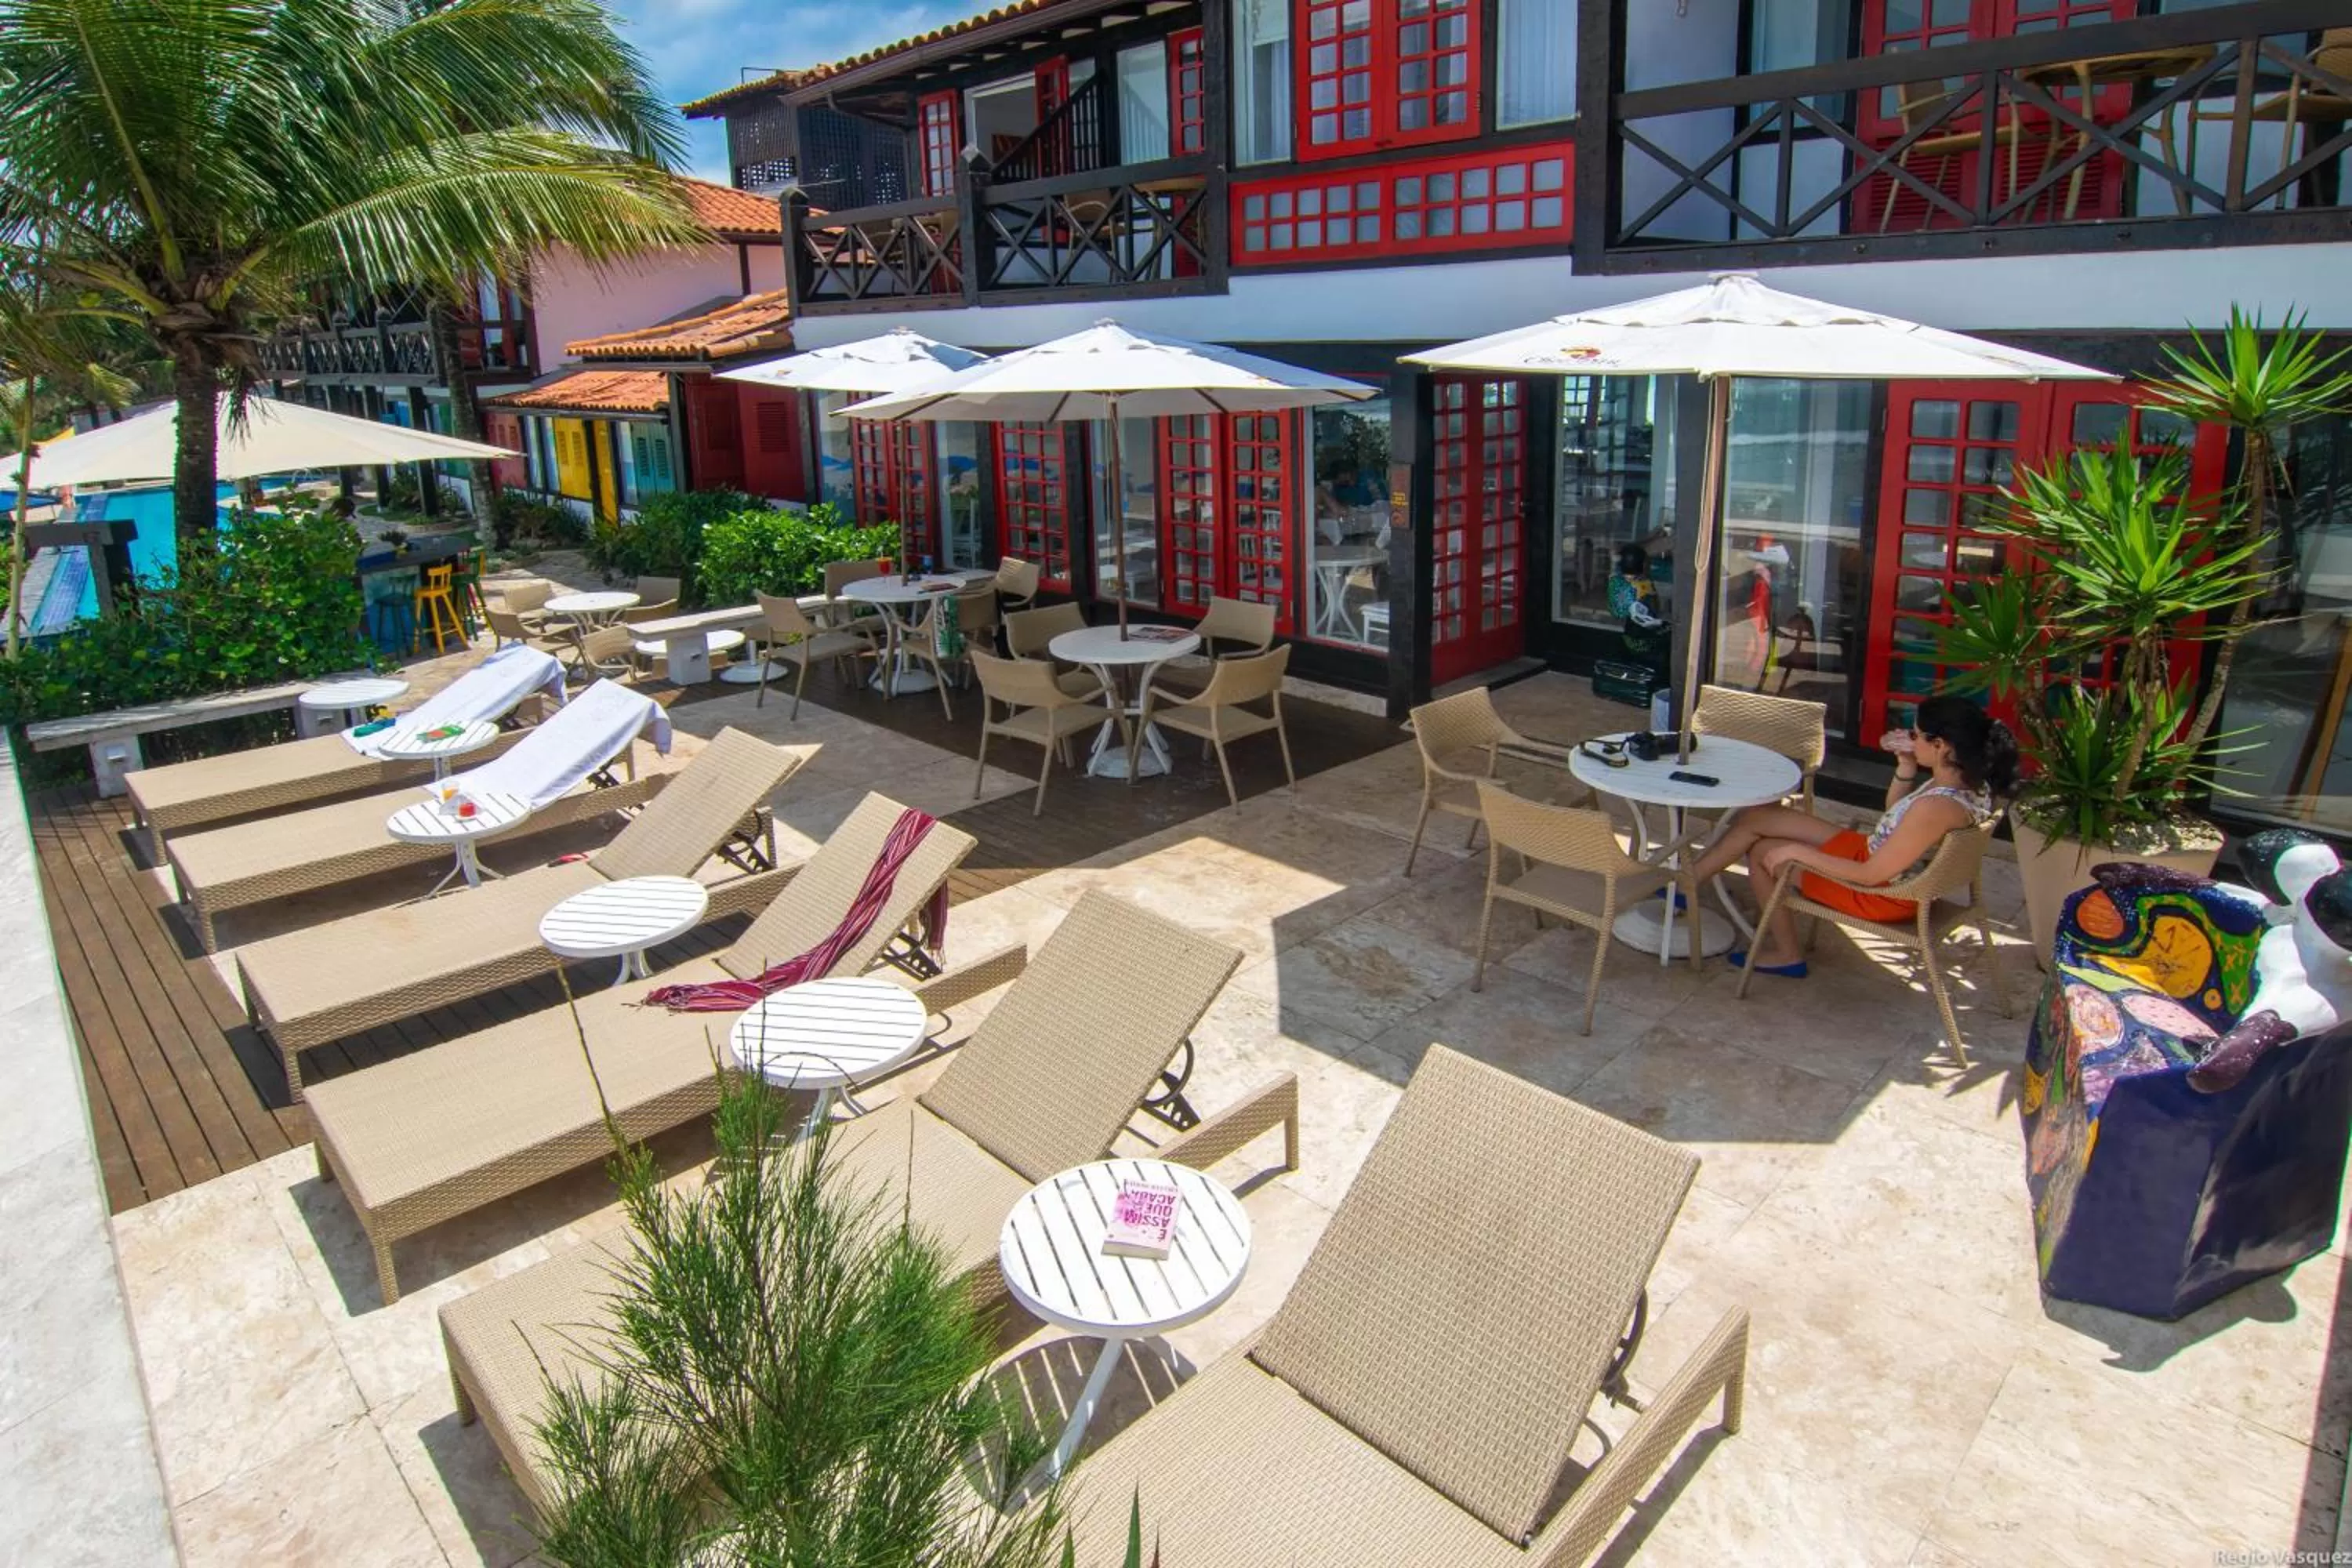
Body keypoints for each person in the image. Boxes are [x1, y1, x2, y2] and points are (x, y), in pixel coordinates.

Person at [1687, 693, 2017, 978]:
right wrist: (1905, 766)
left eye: (1915, 735)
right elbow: (1896, 818)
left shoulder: (1937, 806)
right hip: (1885, 859)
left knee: (1763, 852)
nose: (1909, 738)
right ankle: (1687, 883)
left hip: (1883, 892)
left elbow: (1870, 875)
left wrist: (1798, 852)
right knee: (1759, 817)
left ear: (1940, 745)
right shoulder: (1965, 781)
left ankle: (1788, 955)